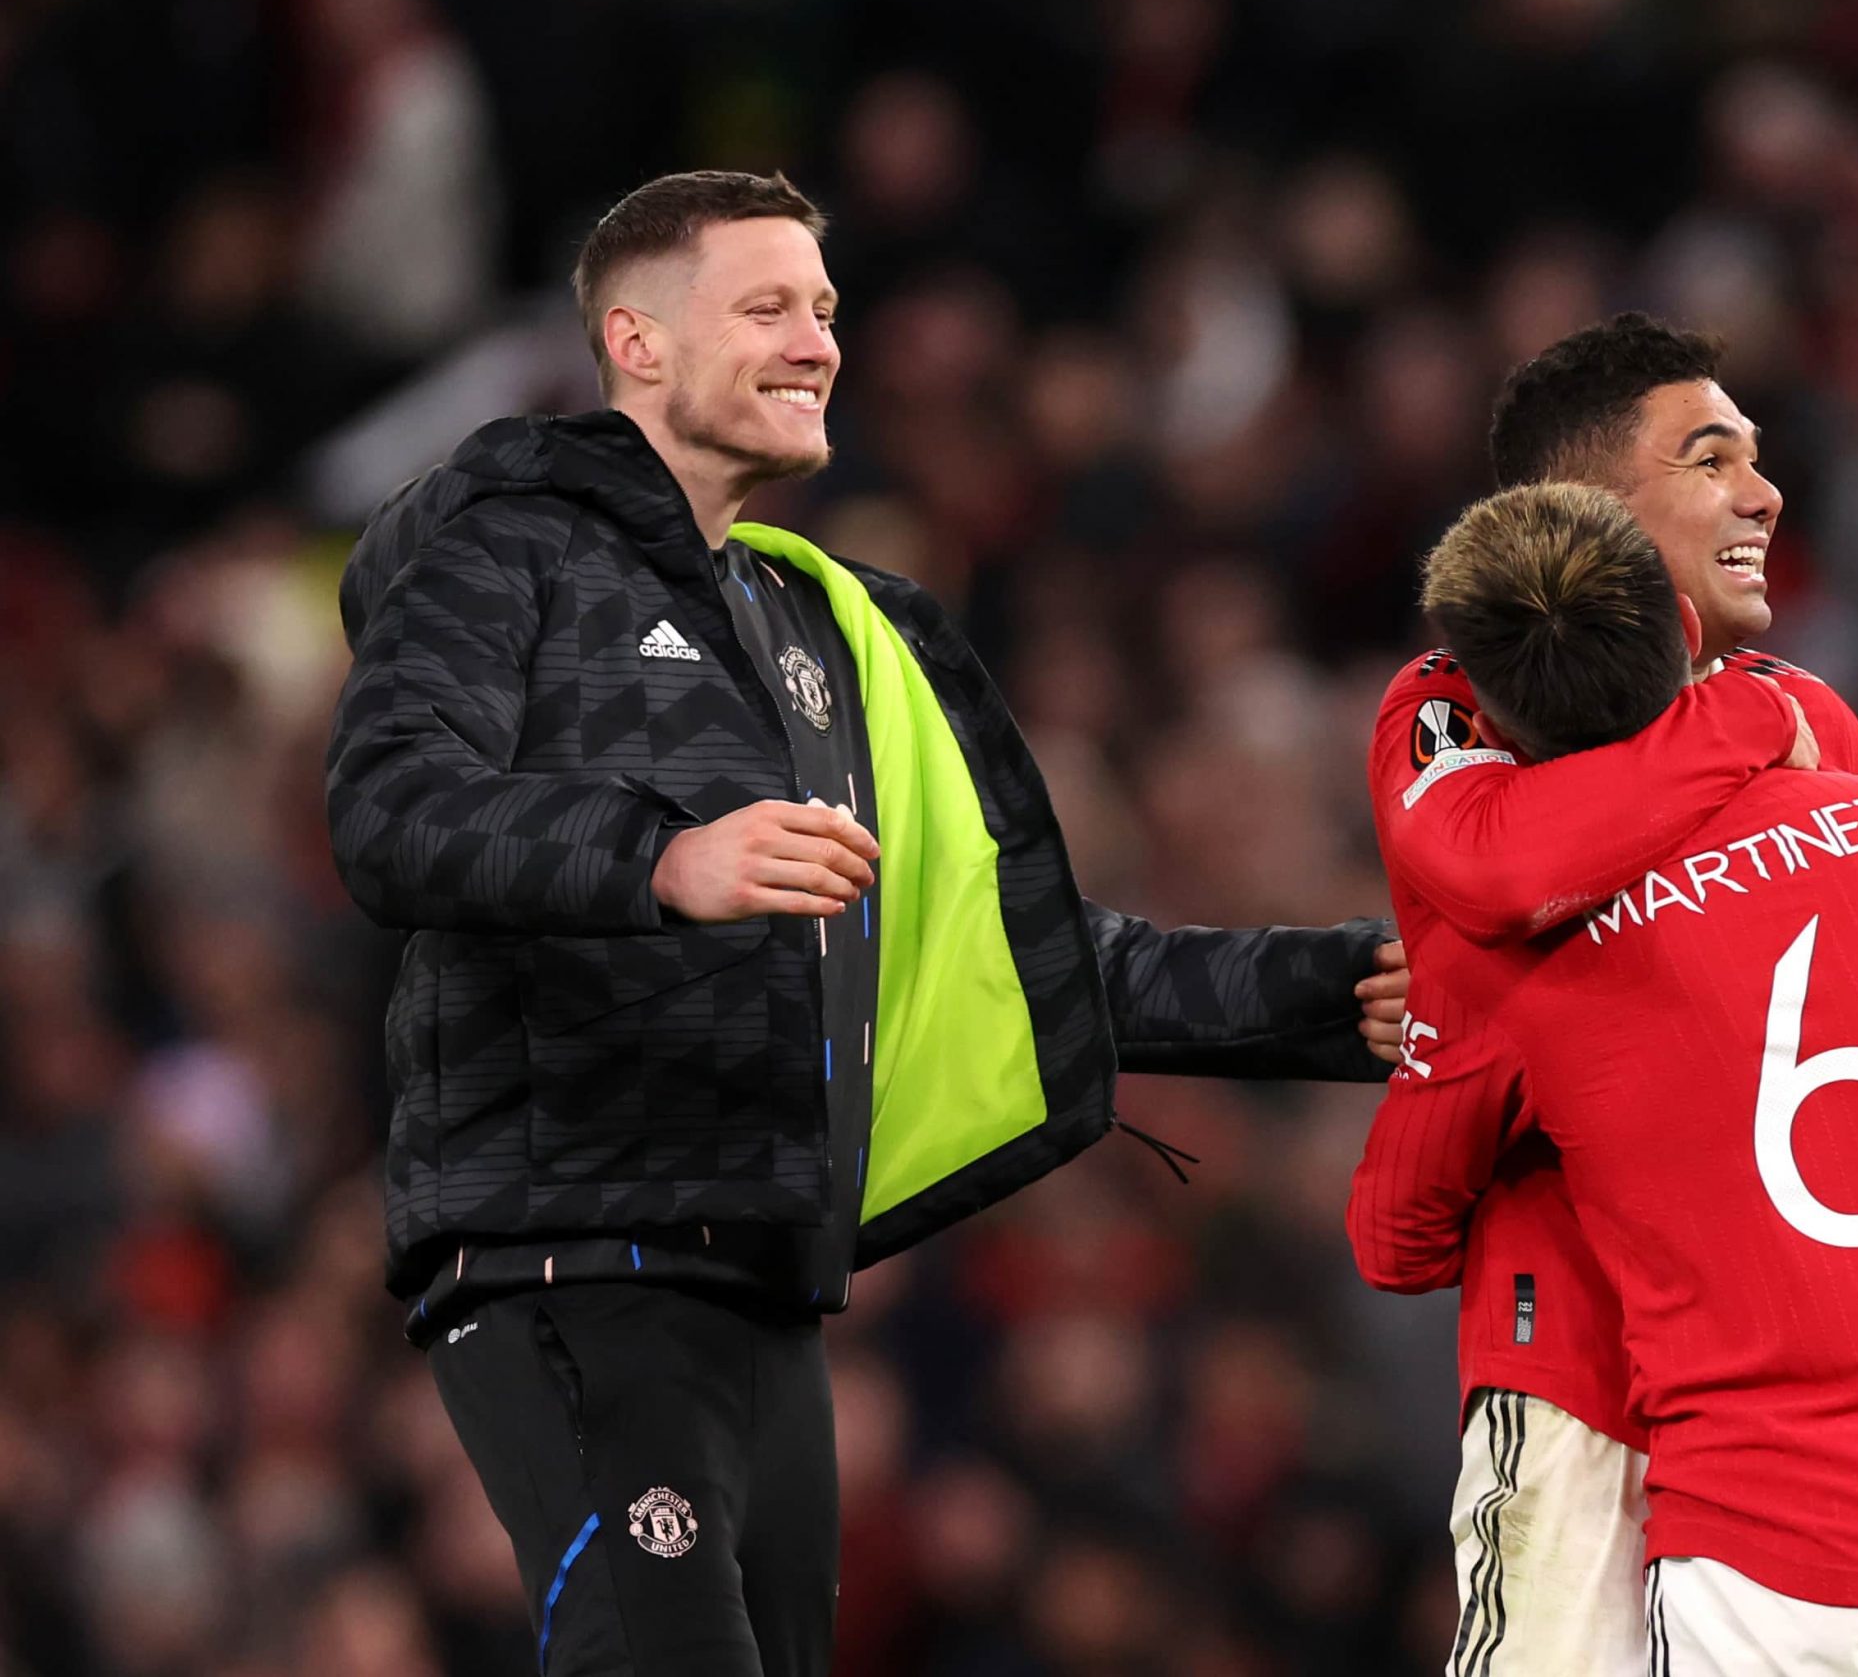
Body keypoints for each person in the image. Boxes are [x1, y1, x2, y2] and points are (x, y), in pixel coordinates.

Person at [323, 169, 1407, 1677]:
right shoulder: (504, 553)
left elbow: (1010, 962)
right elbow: (392, 807)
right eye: (768, 307)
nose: (819, 343)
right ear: (635, 340)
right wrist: (661, 859)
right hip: (568, 1258)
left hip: (770, 1291)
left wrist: (1336, 989)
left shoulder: (827, 631)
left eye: (826, 310)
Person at [1357, 315, 1858, 1674]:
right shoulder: (1459, 698)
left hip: (1801, 1394)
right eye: (1711, 458)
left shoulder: (1809, 713)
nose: (1765, 495)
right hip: (1583, 1386)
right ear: (1586, 507)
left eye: (1757, 458)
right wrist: (1736, 721)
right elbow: (1500, 869)